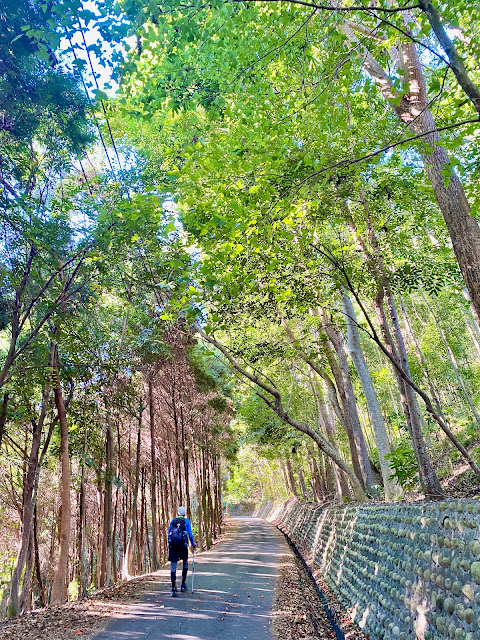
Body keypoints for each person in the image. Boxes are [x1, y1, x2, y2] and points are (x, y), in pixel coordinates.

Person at [168, 505, 195, 597]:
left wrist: (170, 545)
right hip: (183, 546)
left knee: (173, 565)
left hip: (174, 546)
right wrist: (193, 544)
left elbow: (169, 534)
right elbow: (190, 534)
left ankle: (173, 588)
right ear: (185, 513)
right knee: (185, 562)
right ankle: (183, 584)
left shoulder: (173, 522)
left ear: (178, 513)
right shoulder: (186, 521)